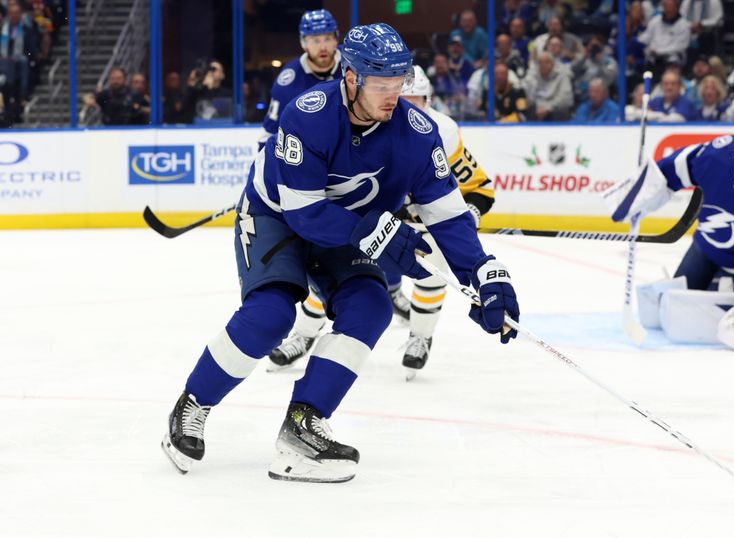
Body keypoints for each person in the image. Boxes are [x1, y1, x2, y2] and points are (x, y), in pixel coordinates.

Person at [161, 23, 520, 483]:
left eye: (400, 83)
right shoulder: (307, 114)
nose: (395, 96)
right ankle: (194, 403)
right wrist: (379, 232)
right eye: (382, 86)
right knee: (271, 315)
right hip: (278, 216)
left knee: (371, 307)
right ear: (350, 78)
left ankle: (303, 425)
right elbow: (305, 215)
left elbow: (449, 216)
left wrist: (485, 272)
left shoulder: (419, 133)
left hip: (348, 230)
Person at [268, 65, 497, 377]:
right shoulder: (355, 123)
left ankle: (421, 335)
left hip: (413, 229)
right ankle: (305, 333)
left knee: (433, 270)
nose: (409, 107)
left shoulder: (441, 132)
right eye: (405, 98)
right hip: (365, 223)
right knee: (330, 274)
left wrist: (469, 211)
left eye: (419, 100)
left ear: (429, 100)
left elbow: (477, 187)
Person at [604, 121, 734, 351]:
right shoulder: (720, 155)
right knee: (667, 308)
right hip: (703, 249)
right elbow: (675, 168)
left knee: (701, 321)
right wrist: (639, 190)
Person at [260, 9, 341, 145]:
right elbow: (269, 135)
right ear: (304, 44)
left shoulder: (353, 66)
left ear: (336, 40)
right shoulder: (288, 83)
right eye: (315, 40)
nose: (322, 47)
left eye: (327, 38)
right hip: (308, 152)